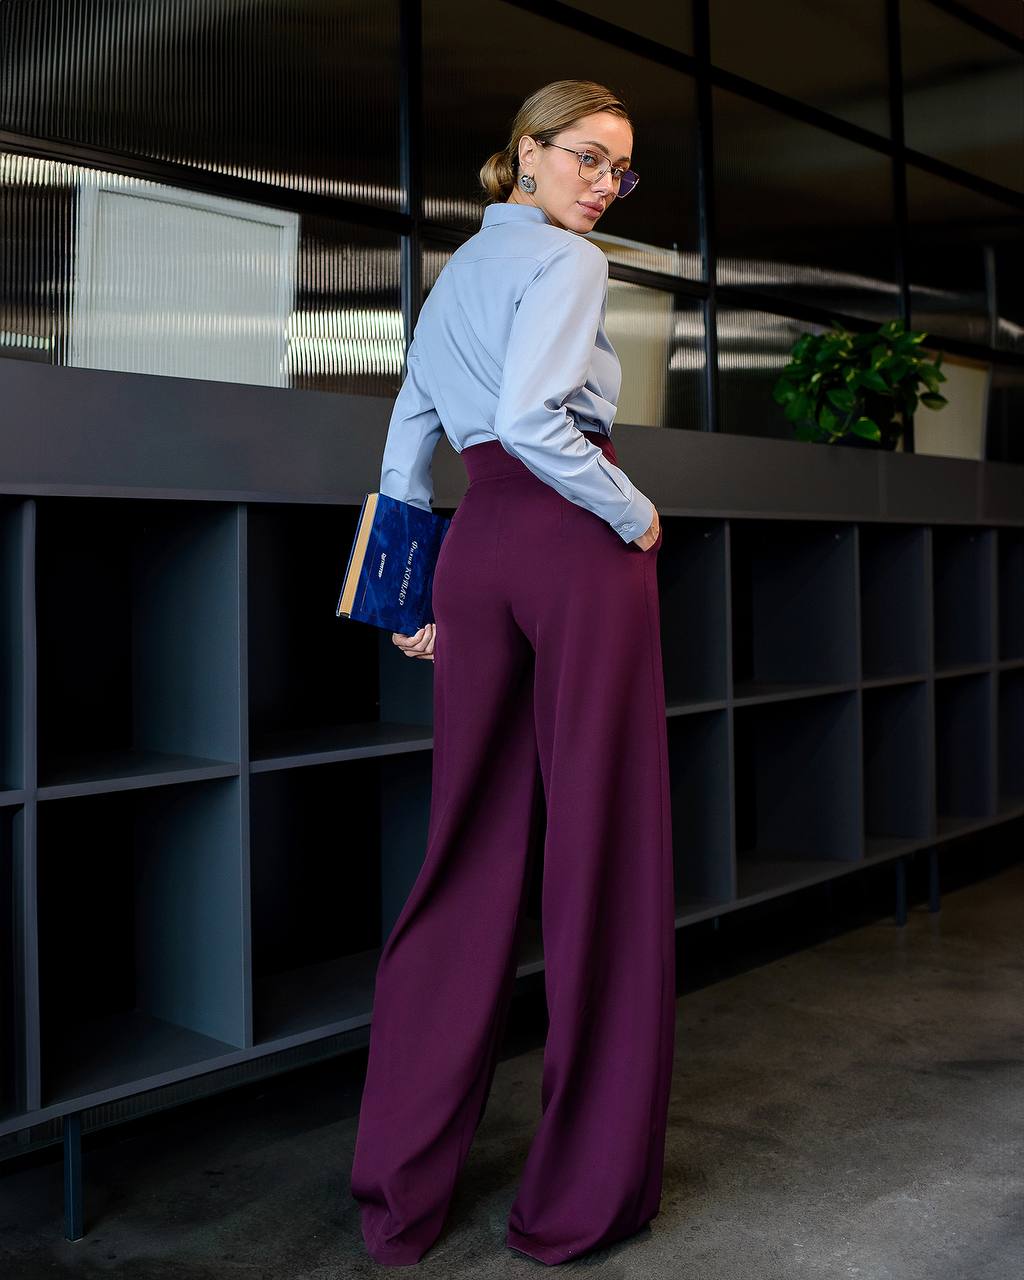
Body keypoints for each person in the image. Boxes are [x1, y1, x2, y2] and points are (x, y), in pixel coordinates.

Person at [350, 78, 675, 1267]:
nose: (600, 184)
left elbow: (406, 437)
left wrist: (404, 594)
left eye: (618, 170)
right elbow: (545, 422)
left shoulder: (455, 278)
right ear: (525, 155)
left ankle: (397, 1186)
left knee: (465, 851)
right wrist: (634, 510)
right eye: (584, 158)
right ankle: (580, 1199)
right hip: (570, 537)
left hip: (477, 550)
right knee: (604, 848)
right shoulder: (569, 265)